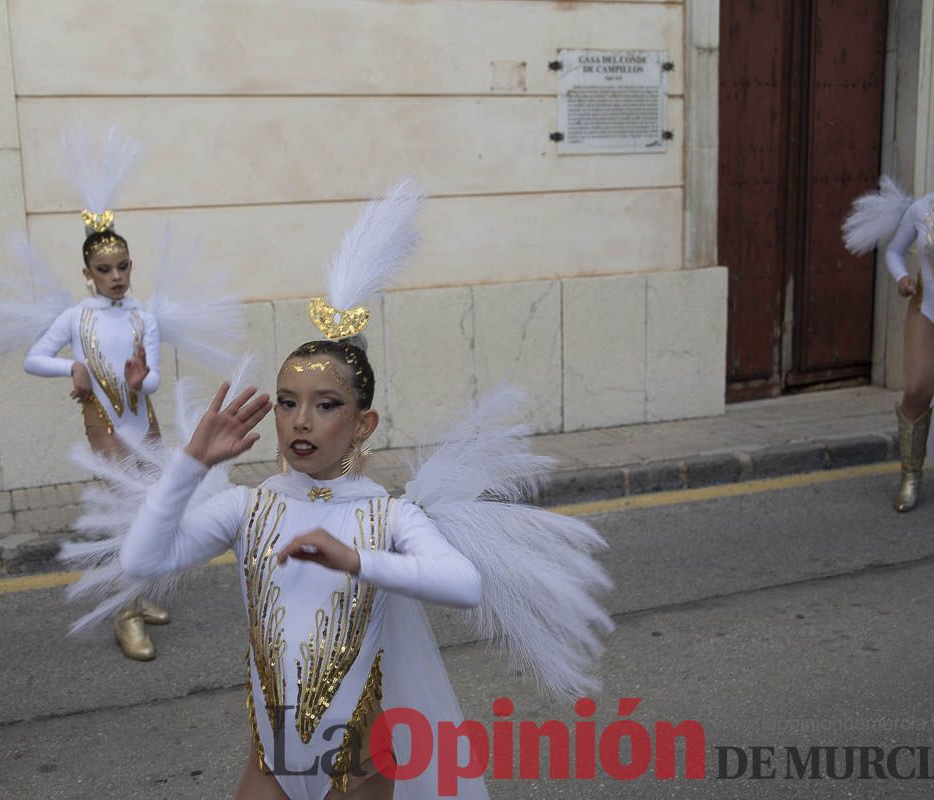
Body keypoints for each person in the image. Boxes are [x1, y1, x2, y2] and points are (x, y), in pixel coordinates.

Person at [63, 179, 613, 798]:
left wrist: (359, 560)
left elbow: (465, 585)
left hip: (358, 764)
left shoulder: (388, 516)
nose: (301, 420)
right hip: (271, 755)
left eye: (326, 405)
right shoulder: (248, 506)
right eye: (288, 402)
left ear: (362, 423)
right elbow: (140, 561)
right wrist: (190, 464)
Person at [0, 127, 242, 660]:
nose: (116, 277)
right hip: (106, 429)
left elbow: (153, 377)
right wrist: (75, 367)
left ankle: (137, 594)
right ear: (87, 274)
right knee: (122, 516)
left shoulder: (144, 316)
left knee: (155, 508)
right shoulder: (75, 317)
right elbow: (32, 358)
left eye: (123, 267)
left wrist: (141, 381)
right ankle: (124, 612)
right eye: (105, 270)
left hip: (145, 424)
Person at [844, 95, 934, 510]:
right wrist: (902, 279)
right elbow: (895, 252)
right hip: (927, 308)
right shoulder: (921, 208)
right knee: (916, 389)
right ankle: (910, 477)